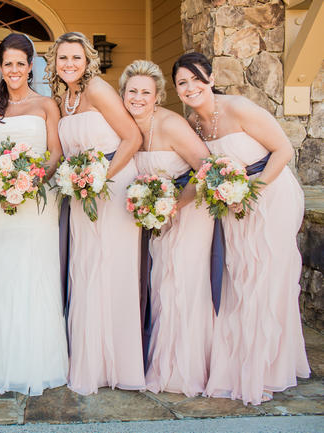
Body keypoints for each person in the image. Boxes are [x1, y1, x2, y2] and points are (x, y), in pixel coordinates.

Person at [172, 52, 310, 405]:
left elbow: (283, 150)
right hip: (231, 202)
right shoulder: (193, 123)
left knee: (268, 277)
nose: (191, 88)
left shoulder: (239, 108)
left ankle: (268, 369)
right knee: (242, 278)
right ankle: (241, 362)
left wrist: (253, 191)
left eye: (196, 79)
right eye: (182, 83)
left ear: (212, 78)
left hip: (271, 193)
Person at [47, 31, 144, 395]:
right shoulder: (64, 96)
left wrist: (102, 176)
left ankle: (118, 363)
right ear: (54, 63)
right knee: (86, 268)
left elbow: (132, 138)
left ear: (88, 60)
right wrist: (80, 180)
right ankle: (90, 358)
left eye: (76, 58)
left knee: (110, 268)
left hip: (112, 185)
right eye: (63, 58)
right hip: (82, 190)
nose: (69, 64)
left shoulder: (98, 89)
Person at [0, 33, 68, 396]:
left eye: (20, 63)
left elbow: (56, 153)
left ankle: (37, 360)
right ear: (1, 66)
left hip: (38, 204)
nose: (14, 70)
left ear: (31, 67)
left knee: (33, 272)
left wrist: (32, 179)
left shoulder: (46, 105)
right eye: (7, 63)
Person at [120, 60, 213, 397]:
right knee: (162, 288)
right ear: (124, 94)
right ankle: (162, 361)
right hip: (158, 222)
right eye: (133, 91)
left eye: (146, 91)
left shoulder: (171, 125)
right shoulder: (126, 125)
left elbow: (206, 169)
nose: (139, 97)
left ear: (158, 96)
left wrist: (173, 205)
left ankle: (181, 371)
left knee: (181, 288)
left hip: (189, 216)